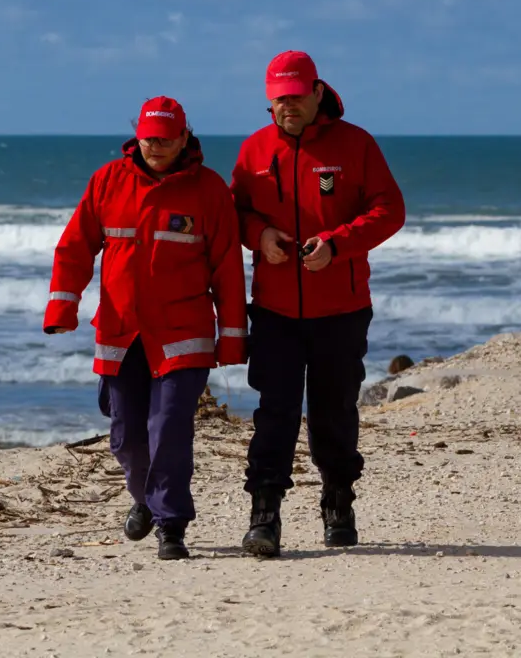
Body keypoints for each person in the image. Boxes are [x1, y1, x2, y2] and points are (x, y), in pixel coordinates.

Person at [43, 95, 249, 560]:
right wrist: (62, 309)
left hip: (183, 332)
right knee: (125, 435)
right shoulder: (108, 181)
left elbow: (227, 270)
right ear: (138, 136)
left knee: (170, 427)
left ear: (184, 137)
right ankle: (144, 500)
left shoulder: (209, 189)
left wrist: (232, 339)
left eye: (166, 138)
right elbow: (74, 248)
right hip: (121, 331)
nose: (156, 146)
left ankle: (171, 524)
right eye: (148, 137)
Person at [230, 50, 406, 557]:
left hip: (342, 308)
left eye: (296, 96)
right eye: (278, 98)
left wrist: (337, 244)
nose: (288, 106)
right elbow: (234, 213)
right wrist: (259, 234)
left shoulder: (356, 144)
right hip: (274, 309)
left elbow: (389, 210)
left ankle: (338, 502)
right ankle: (265, 515)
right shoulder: (254, 150)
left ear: (316, 93)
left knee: (334, 411)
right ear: (270, 100)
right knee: (275, 412)